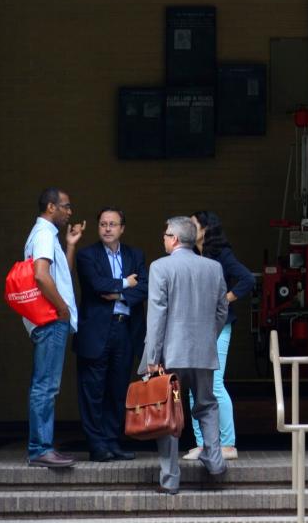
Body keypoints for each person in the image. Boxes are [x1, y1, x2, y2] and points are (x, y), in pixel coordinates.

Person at [141, 216, 229, 496]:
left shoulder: (160, 267)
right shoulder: (213, 268)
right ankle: (215, 463)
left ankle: (170, 478)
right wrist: (207, 338)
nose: (163, 239)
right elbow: (221, 311)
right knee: (206, 404)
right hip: (203, 352)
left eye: (166, 234)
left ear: (175, 239)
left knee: (168, 412)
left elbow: (157, 315)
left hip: (170, 354)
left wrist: (153, 357)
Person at [72, 206, 147, 462]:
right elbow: (96, 284)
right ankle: (97, 445)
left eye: (112, 224)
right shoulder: (87, 255)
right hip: (95, 332)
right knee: (93, 391)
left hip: (125, 330)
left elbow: (145, 287)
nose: (107, 228)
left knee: (117, 390)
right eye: (103, 224)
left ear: (122, 228)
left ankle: (113, 442)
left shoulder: (135, 255)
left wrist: (116, 294)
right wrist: (127, 283)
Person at [181, 210, 254, 462]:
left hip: (218, 324)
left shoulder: (221, 254)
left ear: (205, 229)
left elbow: (246, 279)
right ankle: (203, 444)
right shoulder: (190, 254)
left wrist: (224, 300)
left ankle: (227, 444)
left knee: (214, 384)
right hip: (195, 327)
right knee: (193, 387)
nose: (188, 230)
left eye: (193, 225)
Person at [24, 186, 83, 468]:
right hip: (50, 319)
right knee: (46, 386)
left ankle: (43, 446)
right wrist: (62, 308)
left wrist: (71, 245)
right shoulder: (44, 234)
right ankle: (40, 449)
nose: (69, 212)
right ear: (51, 207)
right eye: (66, 206)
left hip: (50, 319)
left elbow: (62, 276)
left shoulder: (49, 236)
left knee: (47, 385)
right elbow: (41, 275)